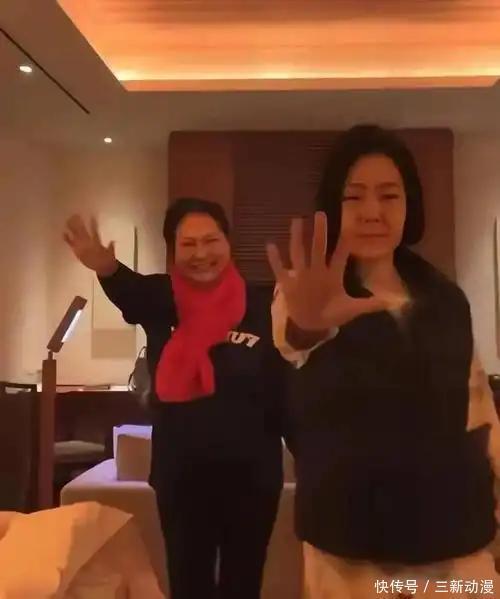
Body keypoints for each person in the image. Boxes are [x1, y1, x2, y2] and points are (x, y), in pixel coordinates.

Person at [268, 125, 500, 598]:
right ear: (333, 206)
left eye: (389, 196)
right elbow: (292, 342)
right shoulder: (308, 291)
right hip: (350, 555)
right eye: (354, 197)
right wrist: (307, 326)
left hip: (455, 545)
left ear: (409, 204)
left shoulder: (445, 297)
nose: (372, 211)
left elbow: (478, 408)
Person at [63, 197, 286, 599]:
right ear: (173, 251)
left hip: (252, 476)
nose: (201, 253)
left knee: (243, 584)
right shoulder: (161, 297)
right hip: (182, 475)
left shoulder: (264, 303)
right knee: (188, 584)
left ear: (228, 242)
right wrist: (106, 267)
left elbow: (288, 376)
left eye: (211, 240)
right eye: (188, 244)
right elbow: (128, 289)